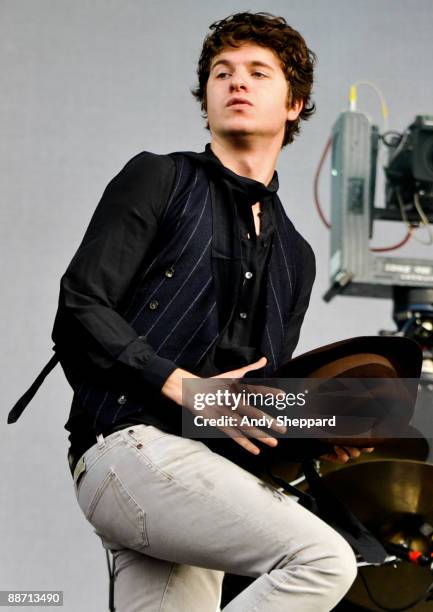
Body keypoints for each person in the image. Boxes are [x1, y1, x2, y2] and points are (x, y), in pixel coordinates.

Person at [52, 11, 366, 611]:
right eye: (222, 73)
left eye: (257, 72)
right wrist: (185, 387)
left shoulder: (295, 256)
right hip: (126, 447)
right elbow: (79, 308)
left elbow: (247, 401)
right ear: (207, 100)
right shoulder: (159, 178)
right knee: (323, 560)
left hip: (204, 475)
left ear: (294, 104)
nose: (236, 83)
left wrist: (315, 435)